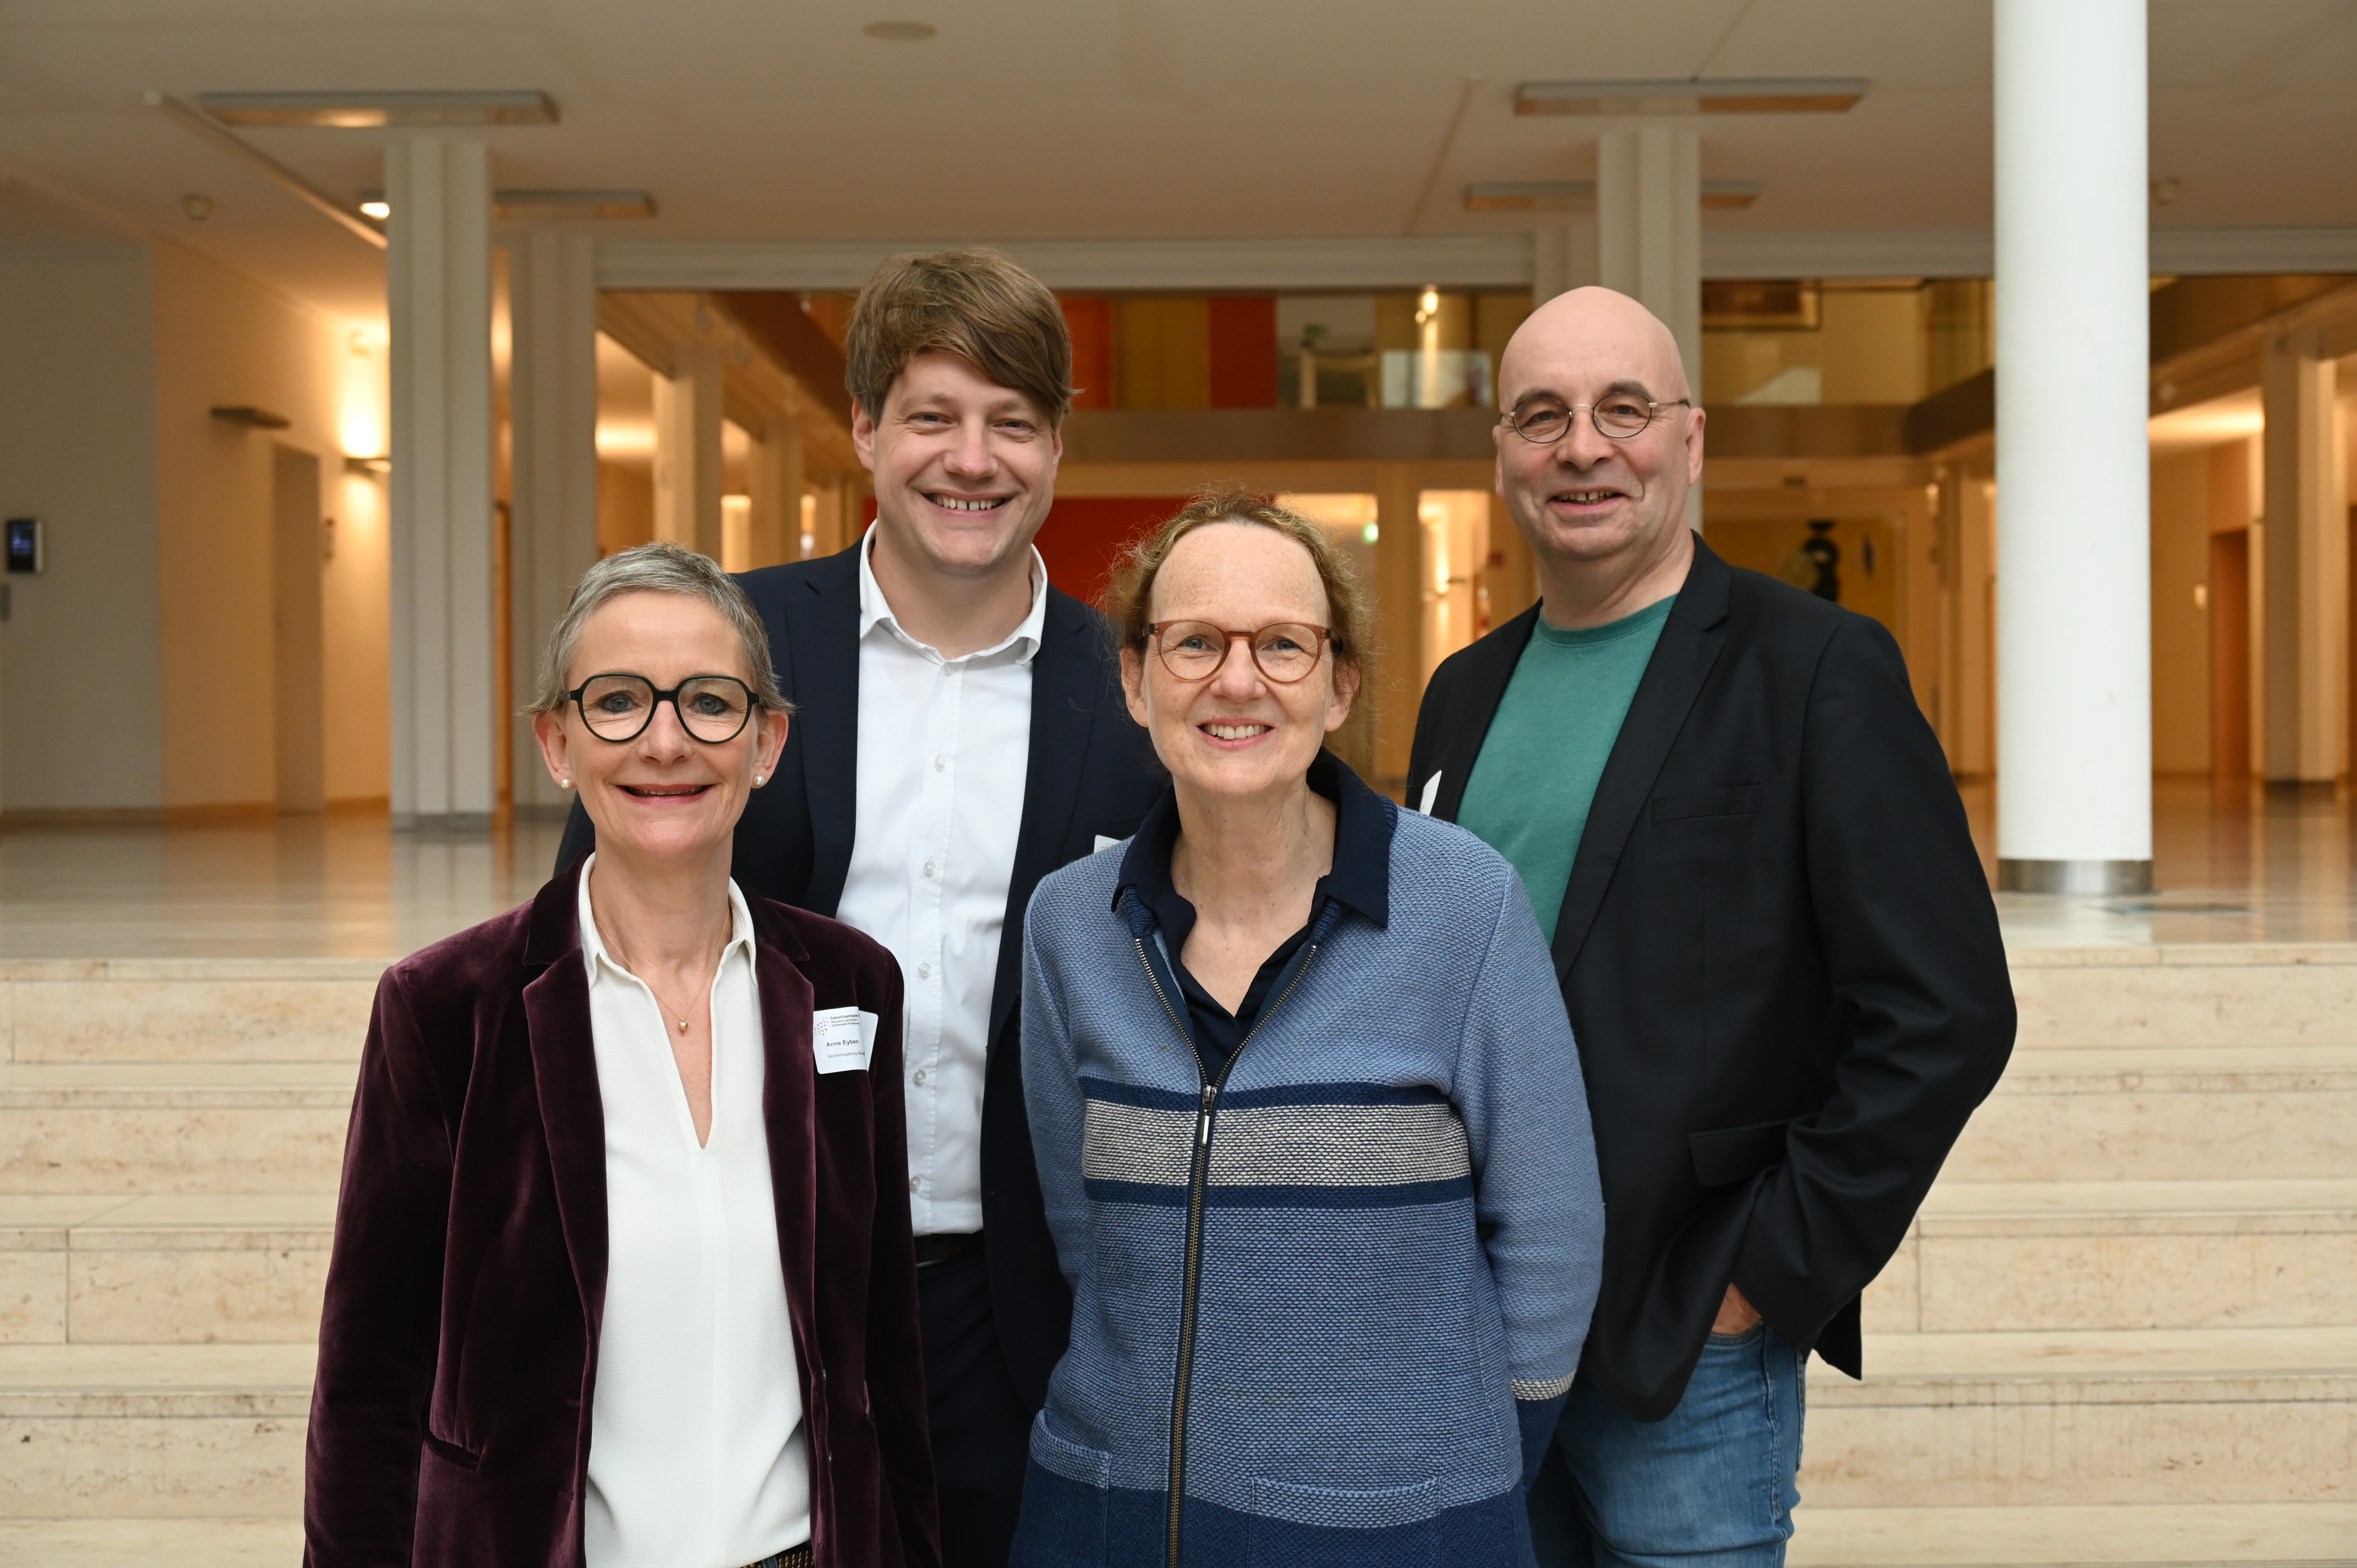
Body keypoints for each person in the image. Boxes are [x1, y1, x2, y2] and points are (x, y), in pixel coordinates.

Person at [557, 249, 1163, 1568]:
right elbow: (580, 935)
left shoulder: (1130, 692)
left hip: (1014, 1306)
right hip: (754, 1275)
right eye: (935, 416)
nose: (973, 459)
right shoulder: (731, 644)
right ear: (866, 429)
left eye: (1012, 422)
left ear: (1057, 444)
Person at [1408, 287, 2018, 1566]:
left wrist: (1763, 1278)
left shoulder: (1815, 669)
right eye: (1542, 416)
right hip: (1471, 1334)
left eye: (1623, 410)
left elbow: (1947, 1013)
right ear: (1505, 456)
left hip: (1681, 1339)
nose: (1582, 447)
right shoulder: (1462, 693)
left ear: (1690, 440)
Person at [307, 542, 935, 1568]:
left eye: (709, 702)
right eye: (617, 702)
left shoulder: (852, 987)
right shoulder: (445, 1011)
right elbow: (370, 1377)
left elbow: (883, 1351)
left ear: (767, 741)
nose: (665, 740)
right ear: (557, 741)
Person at [1014, 492, 1606, 1567]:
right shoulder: (1069, 923)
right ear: (1137, 679)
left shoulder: (1465, 907)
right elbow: (1083, 1234)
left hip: (1401, 1523)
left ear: (1340, 685)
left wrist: (1458, 1458)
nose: (1237, 682)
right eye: (1194, 642)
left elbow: (1554, 1234)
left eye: (1282, 645)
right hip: (1113, 1512)